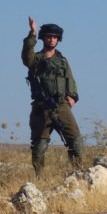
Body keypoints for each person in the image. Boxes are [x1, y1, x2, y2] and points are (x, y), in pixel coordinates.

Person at [22, 16, 83, 176]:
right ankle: (40, 177)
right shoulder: (36, 59)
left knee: (75, 140)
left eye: (55, 37)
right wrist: (32, 33)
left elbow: (70, 79)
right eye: (49, 36)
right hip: (41, 107)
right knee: (39, 145)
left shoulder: (62, 61)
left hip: (61, 105)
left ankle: (78, 173)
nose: (51, 39)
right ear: (43, 38)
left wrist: (73, 96)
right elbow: (26, 56)